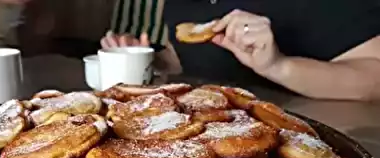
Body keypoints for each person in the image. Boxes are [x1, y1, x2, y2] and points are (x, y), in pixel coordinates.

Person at [101, 0, 380, 101]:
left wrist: (278, 66)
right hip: (212, 131)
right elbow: (188, 55)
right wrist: (151, 59)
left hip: (317, 139)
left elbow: (374, 76)